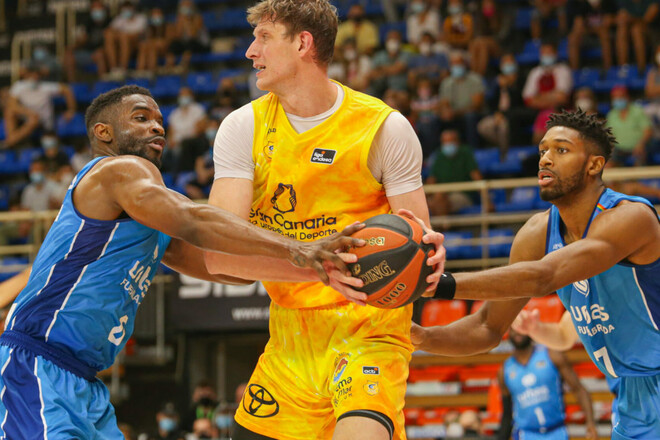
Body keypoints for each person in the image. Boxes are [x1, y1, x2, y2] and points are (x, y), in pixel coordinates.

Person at [0, 85, 365, 439]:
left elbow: (225, 267)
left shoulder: (149, 215)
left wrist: (320, 269)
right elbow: (193, 220)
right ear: (103, 132)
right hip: (35, 364)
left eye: (160, 121)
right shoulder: (117, 170)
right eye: (141, 118)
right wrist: (299, 247)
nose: (157, 127)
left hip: (84, 383)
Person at [204, 1, 445, 439]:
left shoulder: (383, 128)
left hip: (369, 330)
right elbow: (220, 259)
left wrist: (428, 257)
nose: (250, 51)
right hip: (290, 337)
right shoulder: (242, 128)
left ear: (302, 44)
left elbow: (418, 245)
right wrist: (318, 267)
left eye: (263, 37)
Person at [412, 109, 660, 440]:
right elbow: (487, 326)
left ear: (594, 165)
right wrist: (420, 337)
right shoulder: (536, 234)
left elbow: (545, 276)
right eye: (543, 150)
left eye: (561, 149)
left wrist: (436, 285)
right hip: (631, 394)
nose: (545, 159)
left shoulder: (631, 218)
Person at [513, 308, 622, 427]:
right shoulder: (587, 300)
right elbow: (564, 336)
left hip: (637, 391)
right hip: (624, 406)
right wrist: (535, 329)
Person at [497, 327, 598, 440]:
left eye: (520, 328)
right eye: (513, 329)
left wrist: (591, 423)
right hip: (526, 434)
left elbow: (579, 389)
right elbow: (507, 414)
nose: (517, 332)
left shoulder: (551, 355)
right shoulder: (505, 370)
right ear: (508, 333)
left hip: (556, 431)